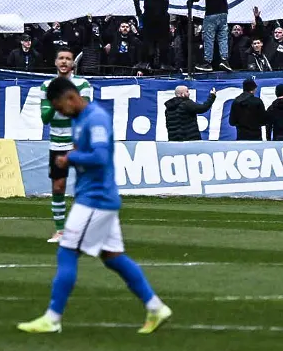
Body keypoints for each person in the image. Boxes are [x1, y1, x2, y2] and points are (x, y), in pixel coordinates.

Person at [18, 76, 172, 335]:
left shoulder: (96, 118)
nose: (59, 113)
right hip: (95, 196)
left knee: (66, 251)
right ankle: (156, 307)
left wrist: (70, 158)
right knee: (113, 258)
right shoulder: (79, 120)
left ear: (70, 97)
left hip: (96, 198)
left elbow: (100, 156)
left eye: (59, 107)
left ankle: (53, 318)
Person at [40, 48, 92, 243]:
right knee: (58, 186)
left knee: (84, 187)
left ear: (73, 63)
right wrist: (57, 99)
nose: (64, 62)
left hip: (78, 143)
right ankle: (60, 231)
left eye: (68, 59)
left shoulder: (83, 84)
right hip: (57, 143)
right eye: (60, 58)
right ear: (55, 62)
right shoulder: (47, 86)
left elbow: (85, 113)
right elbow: (45, 118)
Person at [132, 0, 185, 70]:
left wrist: (138, 11)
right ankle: (164, 63)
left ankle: (145, 62)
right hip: (161, 14)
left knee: (147, 39)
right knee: (163, 39)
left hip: (148, 13)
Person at [192, 0, 230, 71]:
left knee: (209, 37)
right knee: (222, 37)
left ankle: (207, 62)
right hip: (223, 13)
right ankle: (224, 60)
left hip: (211, 13)